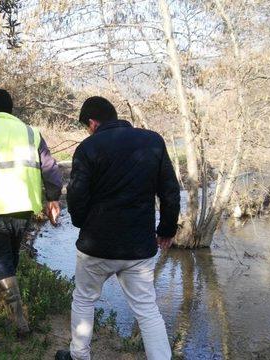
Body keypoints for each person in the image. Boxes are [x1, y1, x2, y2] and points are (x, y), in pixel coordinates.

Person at [55, 96, 180, 360]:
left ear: (92, 122)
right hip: (139, 247)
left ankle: (79, 356)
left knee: (85, 299)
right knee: (147, 309)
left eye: (86, 127)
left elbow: (76, 196)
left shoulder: (88, 148)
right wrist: (166, 229)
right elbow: (169, 191)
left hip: (96, 245)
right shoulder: (153, 141)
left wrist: (82, 224)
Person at [0, 89, 62, 336]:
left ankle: (18, 317)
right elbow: (50, 169)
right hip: (24, 205)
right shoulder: (30, 132)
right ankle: (10, 295)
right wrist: (53, 198)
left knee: (0, 257)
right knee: (12, 253)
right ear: (11, 109)